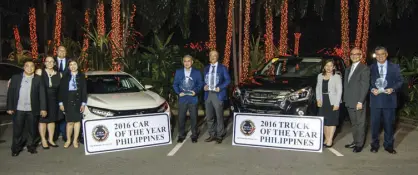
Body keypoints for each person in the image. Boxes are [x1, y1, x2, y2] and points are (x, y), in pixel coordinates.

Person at [7, 60, 47, 156]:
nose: (30, 68)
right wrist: (9, 107)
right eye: (27, 66)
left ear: (34, 68)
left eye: (32, 66)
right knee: (18, 130)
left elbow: (42, 95)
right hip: (19, 108)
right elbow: (11, 94)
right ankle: (16, 148)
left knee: (32, 130)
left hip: (32, 109)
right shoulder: (16, 78)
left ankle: (31, 146)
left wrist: (43, 108)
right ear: (24, 67)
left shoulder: (38, 79)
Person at [370, 46, 403, 154]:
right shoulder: (371, 67)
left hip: (389, 100)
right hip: (375, 100)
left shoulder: (395, 67)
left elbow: (400, 81)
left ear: (386, 54)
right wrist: (372, 89)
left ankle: (389, 146)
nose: (380, 56)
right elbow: (367, 82)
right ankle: (374, 145)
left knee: (389, 125)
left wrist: (393, 89)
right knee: (375, 125)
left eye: (382, 54)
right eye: (377, 54)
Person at [343, 48, 370, 153]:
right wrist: (345, 99)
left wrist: (360, 101)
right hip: (349, 101)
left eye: (357, 54)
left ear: (361, 56)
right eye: (352, 54)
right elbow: (347, 85)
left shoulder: (364, 69)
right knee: (354, 123)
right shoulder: (348, 69)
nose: (354, 56)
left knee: (360, 123)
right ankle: (355, 141)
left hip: (358, 102)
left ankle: (359, 144)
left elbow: (365, 86)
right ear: (350, 56)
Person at [173, 55, 204, 143]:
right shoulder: (178, 72)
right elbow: (175, 84)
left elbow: (200, 84)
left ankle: (194, 135)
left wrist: (196, 91)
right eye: (185, 61)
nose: (187, 63)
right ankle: (181, 135)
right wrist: (179, 92)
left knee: (194, 117)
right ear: (183, 62)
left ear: (192, 62)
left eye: (188, 61)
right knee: (181, 118)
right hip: (182, 98)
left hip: (193, 98)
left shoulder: (197, 72)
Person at [203, 50, 231, 144]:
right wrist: (204, 86)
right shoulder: (206, 68)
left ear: (217, 57)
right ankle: (212, 134)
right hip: (208, 94)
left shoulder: (222, 68)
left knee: (219, 116)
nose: (213, 57)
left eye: (215, 55)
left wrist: (220, 87)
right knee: (209, 116)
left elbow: (228, 80)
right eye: (211, 55)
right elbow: (203, 80)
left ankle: (219, 135)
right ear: (209, 57)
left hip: (218, 94)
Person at [58, 60, 87, 148]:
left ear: (78, 65)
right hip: (68, 100)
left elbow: (84, 90)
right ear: (68, 67)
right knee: (69, 122)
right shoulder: (65, 77)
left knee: (77, 121)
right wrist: (61, 103)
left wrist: (83, 103)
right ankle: (68, 140)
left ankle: (75, 140)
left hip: (78, 100)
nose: (73, 66)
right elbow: (61, 91)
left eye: (74, 64)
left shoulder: (82, 76)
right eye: (70, 64)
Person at [35, 56, 62, 149]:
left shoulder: (59, 74)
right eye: (48, 61)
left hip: (54, 100)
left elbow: (61, 90)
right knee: (43, 121)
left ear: (54, 63)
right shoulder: (39, 72)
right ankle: (43, 140)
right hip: (42, 99)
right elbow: (34, 85)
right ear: (45, 63)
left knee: (51, 120)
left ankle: (50, 139)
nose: (50, 63)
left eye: (52, 61)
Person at [316, 59, 342, 148]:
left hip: (333, 101)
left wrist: (337, 103)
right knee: (324, 121)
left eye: (331, 65)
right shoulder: (320, 76)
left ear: (334, 67)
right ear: (324, 66)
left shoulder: (337, 76)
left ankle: (330, 139)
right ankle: (326, 138)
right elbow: (317, 88)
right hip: (323, 101)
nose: (329, 67)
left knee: (332, 121)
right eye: (327, 65)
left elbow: (339, 91)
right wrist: (318, 99)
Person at [55, 46, 70, 142]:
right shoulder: (51, 60)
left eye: (64, 50)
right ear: (56, 51)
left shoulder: (70, 61)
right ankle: (54, 135)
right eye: (60, 50)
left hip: (67, 92)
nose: (62, 52)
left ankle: (65, 135)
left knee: (65, 114)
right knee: (55, 114)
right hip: (53, 92)